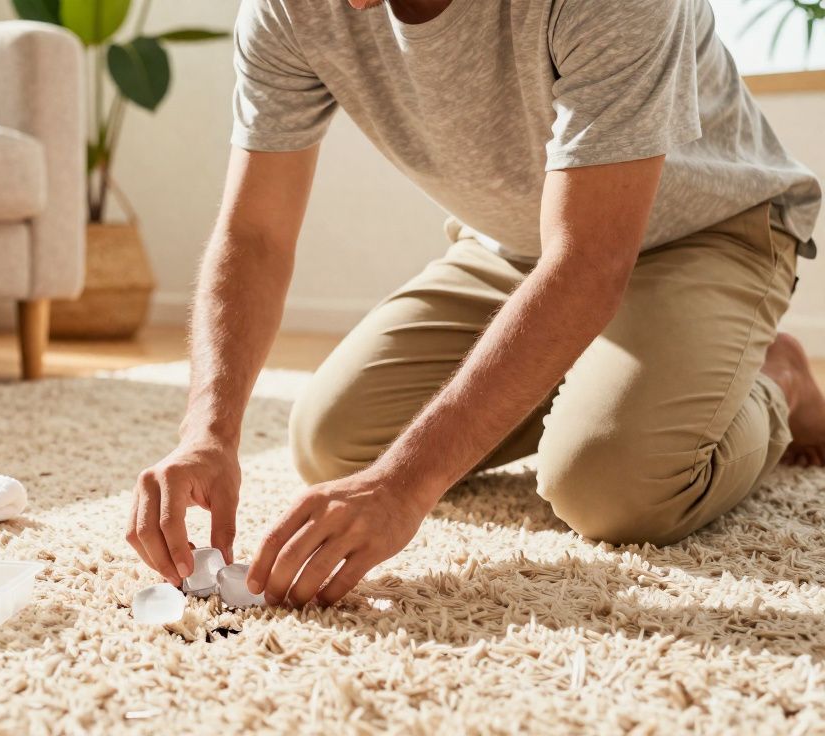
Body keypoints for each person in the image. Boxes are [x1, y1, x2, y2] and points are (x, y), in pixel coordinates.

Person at [125, 0, 825, 607]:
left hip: (704, 235)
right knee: (333, 443)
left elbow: (589, 261)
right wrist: (207, 433)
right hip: (518, 251)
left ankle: (776, 379)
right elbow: (254, 234)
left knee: (611, 489)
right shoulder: (292, 9)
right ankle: (595, 374)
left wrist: (405, 485)